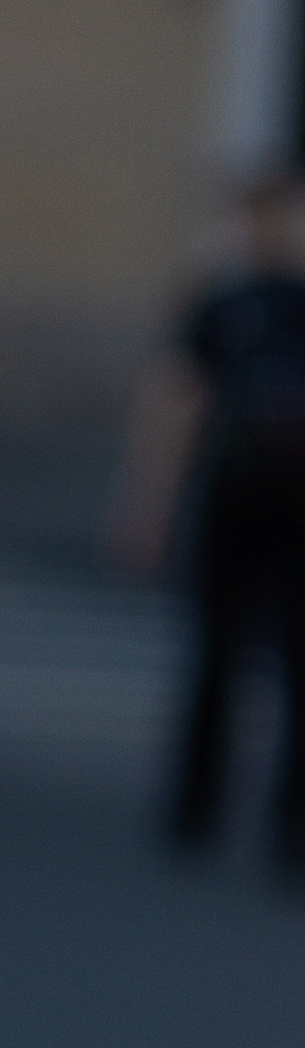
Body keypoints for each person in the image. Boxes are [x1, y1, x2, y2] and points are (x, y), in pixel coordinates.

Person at [116, 171, 305, 867]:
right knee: (215, 660)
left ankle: (288, 826)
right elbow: (175, 400)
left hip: (293, 511)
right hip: (234, 499)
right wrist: (150, 503)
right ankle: (198, 808)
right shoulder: (222, 305)